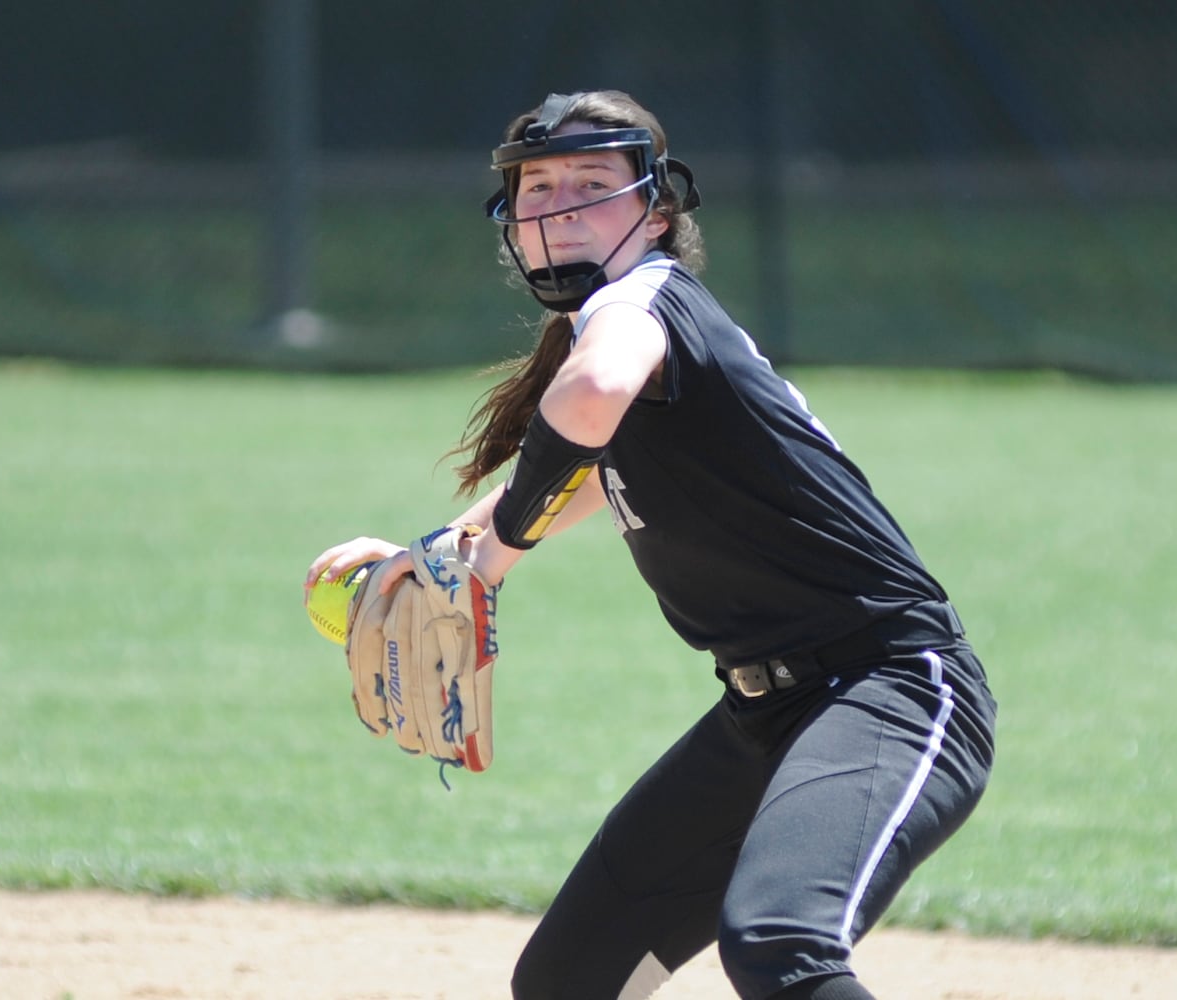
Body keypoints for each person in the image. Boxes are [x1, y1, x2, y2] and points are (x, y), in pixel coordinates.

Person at [305, 89, 996, 1000]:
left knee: (780, 945)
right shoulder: (628, 335)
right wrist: (446, 544)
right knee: (567, 980)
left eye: (592, 182)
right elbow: (590, 464)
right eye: (537, 187)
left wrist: (493, 565)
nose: (557, 207)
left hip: (890, 686)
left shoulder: (645, 302)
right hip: (763, 715)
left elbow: (590, 397)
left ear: (656, 210)